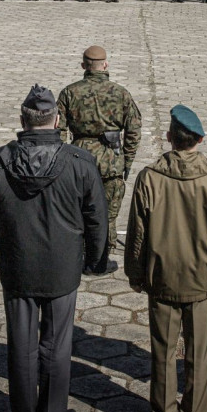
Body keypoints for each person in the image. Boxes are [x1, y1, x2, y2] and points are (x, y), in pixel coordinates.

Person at [0, 85, 107, 412]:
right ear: (57, 120)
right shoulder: (80, 162)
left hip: (17, 266)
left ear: (22, 120)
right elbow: (97, 218)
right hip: (63, 269)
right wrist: (95, 260)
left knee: (22, 344)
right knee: (57, 345)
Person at [125, 105, 207, 412]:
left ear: (170, 137)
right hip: (202, 278)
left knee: (162, 350)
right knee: (200, 353)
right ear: (200, 140)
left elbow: (137, 234)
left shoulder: (150, 177)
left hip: (161, 277)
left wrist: (135, 273)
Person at [57, 46, 142, 274]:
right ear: (105, 65)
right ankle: (102, 258)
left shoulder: (69, 92)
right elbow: (134, 130)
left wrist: (61, 158)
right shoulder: (120, 93)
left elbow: (59, 130)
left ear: (84, 66)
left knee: (78, 210)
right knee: (108, 214)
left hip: (78, 159)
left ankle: (79, 254)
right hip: (111, 159)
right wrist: (126, 160)